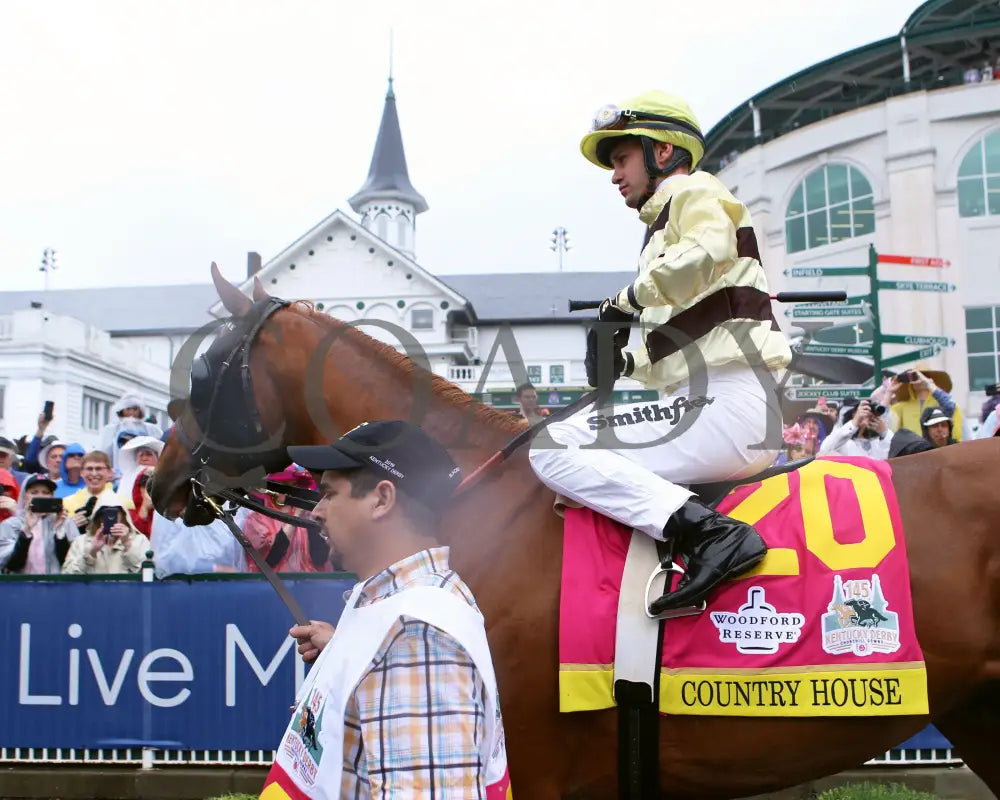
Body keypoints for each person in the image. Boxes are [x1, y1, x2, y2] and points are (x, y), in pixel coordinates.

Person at [527, 90, 792, 612]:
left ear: (662, 153)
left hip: (729, 408)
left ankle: (712, 536)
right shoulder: (660, 231)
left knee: (552, 446)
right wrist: (622, 362)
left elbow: (706, 253)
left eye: (621, 158)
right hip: (711, 402)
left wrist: (622, 303)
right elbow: (685, 334)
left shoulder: (694, 192)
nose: (613, 174)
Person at [264, 420, 510, 799]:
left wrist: (386, 657)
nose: (317, 512)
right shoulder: (399, 616)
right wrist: (344, 650)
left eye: (329, 494)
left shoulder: (415, 637)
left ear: (382, 499)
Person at [242, 465, 332, 573]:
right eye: (282, 485)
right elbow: (270, 558)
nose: (288, 491)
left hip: (306, 584)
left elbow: (320, 557)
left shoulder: (308, 516)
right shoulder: (256, 519)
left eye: (294, 485)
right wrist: (295, 517)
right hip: (271, 585)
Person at [0, 474, 78, 574]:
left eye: (46, 493)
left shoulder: (66, 522)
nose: (40, 496)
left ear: (52, 496)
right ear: (25, 496)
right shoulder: (10, 525)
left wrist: (59, 533)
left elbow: (73, 563)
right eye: (34, 492)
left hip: (57, 586)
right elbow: (10, 564)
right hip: (22, 587)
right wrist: (26, 531)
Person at [61, 489, 150, 575]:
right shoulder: (80, 542)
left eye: (115, 512)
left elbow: (147, 574)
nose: (110, 517)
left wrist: (128, 545)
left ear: (123, 515)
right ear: (97, 516)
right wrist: (91, 553)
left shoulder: (139, 540)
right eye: (104, 512)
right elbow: (67, 575)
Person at [888, 367, 966, 441]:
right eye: (915, 376)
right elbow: (887, 429)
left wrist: (928, 383)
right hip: (913, 452)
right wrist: (888, 392)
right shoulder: (901, 407)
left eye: (923, 376)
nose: (919, 379)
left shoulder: (942, 403)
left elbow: (951, 408)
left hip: (938, 451)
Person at [98, 393, 163, 472]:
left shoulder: (152, 429)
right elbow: (103, 455)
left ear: (141, 410)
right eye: (128, 409)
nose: (131, 412)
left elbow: (160, 451)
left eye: (135, 409)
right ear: (122, 409)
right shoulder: (111, 429)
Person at [818, 399, 894, 459]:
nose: (865, 413)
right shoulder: (843, 440)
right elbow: (825, 449)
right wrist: (854, 422)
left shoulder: (875, 441)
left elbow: (891, 457)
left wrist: (884, 433)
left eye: (868, 411)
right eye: (861, 410)